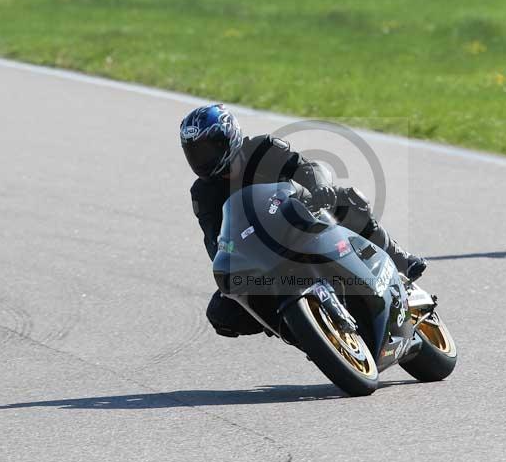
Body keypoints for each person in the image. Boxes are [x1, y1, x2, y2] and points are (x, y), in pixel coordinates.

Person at [180, 104, 427, 337]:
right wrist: (230, 261)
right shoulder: (202, 193)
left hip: (301, 219)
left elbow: (306, 167)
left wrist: (320, 187)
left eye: (208, 150)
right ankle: (298, 330)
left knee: (346, 201)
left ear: (229, 137)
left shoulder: (262, 148)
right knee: (221, 312)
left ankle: (399, 259)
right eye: (195, 153)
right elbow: (214, 239)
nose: (202, 160)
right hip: (261, 251)